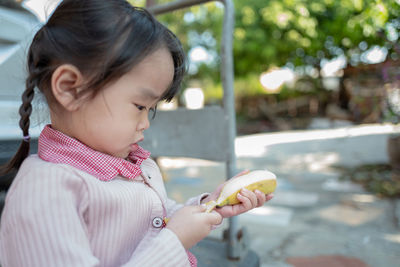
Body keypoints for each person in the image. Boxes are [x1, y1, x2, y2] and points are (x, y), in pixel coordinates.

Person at [0, 0, 273, 266]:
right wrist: (174, 241)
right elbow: (167, 235)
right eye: (140, 106)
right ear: (71, 88)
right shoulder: (45, 192)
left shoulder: (124, 164)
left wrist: (210, 206)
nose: (146, 123)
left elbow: (154, 217)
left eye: (151, 109)